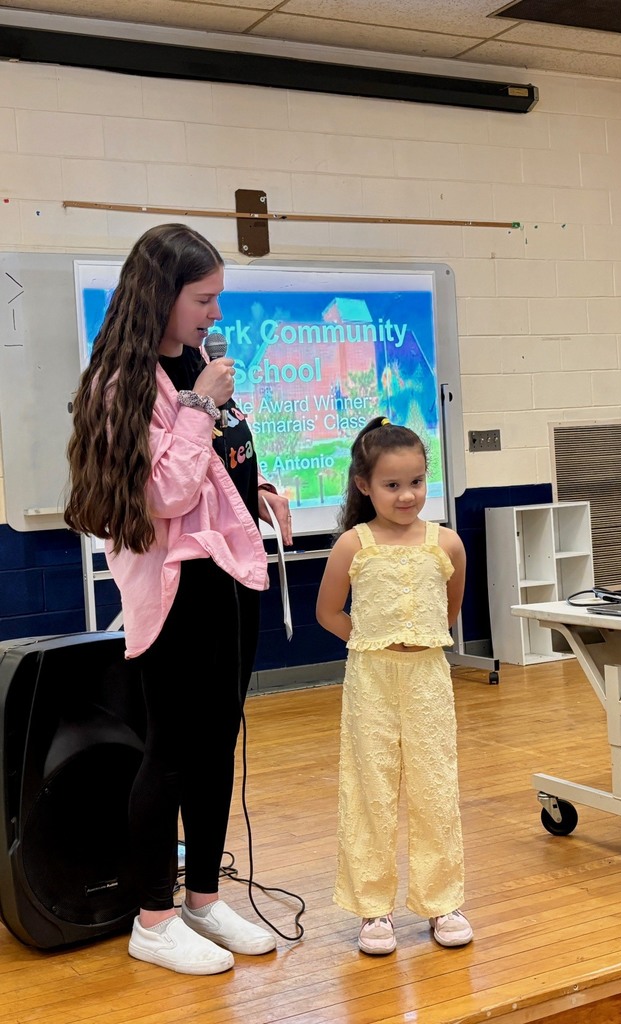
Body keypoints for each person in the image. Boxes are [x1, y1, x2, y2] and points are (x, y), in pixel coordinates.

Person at [64, 223, 294, 975]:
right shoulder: (119, 385)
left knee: (216, 743)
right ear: (160, 295)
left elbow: (211, 470)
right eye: (203, 299)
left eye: (218, 299)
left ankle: (201, 899)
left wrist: (254, 491)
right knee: (169, 750)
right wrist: (197, 404)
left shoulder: (197, 366)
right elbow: (163, 491)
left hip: (228, 576)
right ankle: (153, 918)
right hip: (176, 587)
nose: (214, 316)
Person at [315, 416, 472, 956]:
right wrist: (370, 639)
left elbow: (449, 612)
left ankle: (442, 900)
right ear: (364, 485)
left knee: (435, 787)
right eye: (392, 485)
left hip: (429, 677)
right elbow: (328, 611)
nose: (407, 496)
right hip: (372, 679)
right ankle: (373, 910)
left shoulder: (446, 545)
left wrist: (418, 639)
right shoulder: (352, 545)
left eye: (416, 482)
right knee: (369, 789)